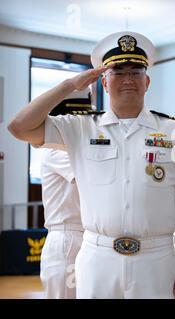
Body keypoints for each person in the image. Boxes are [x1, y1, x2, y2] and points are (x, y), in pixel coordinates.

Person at [8, 31, 175, 298]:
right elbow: (19, 127)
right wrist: (70, 84)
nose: (128, 79)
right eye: (118, 71)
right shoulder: (80, 128)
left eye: (136, 71)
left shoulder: (174, 131)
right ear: (104, 82)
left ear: (147, 81)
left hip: (157, 260)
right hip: (98, 259)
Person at [40, 88, 97, 299]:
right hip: (67, 238)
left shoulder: (77, 149)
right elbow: (92, 176)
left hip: (88, 236)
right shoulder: (55, 150)